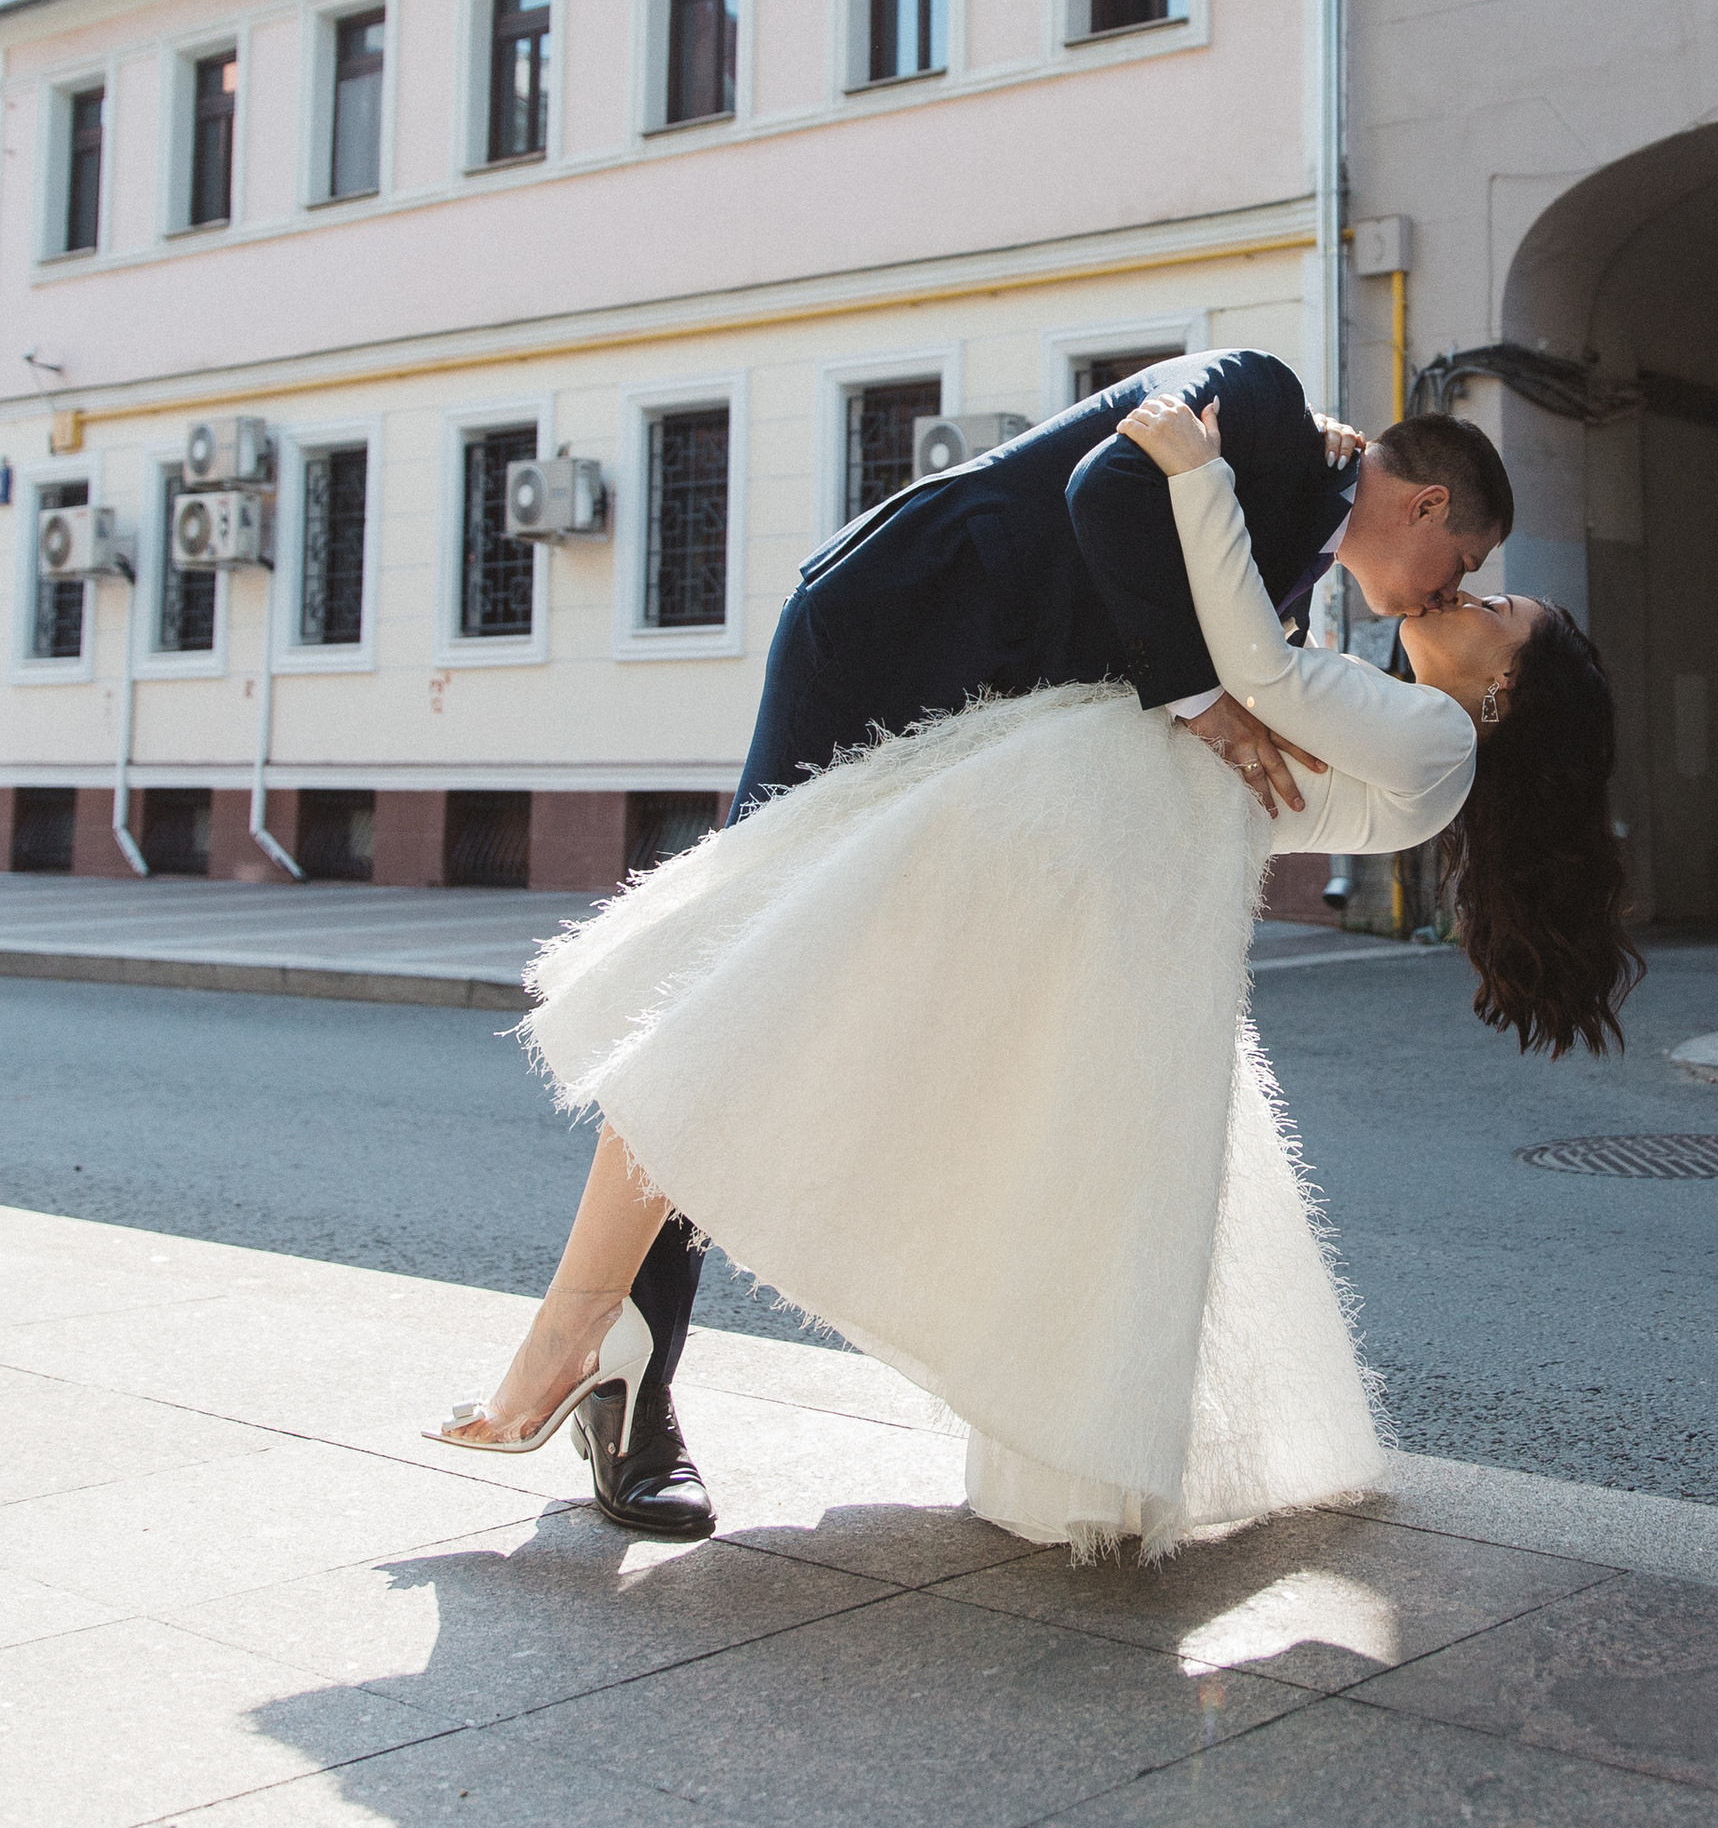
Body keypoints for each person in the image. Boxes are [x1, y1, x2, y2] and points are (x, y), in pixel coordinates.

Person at [429, 371, 1639, 1559]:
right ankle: (614, 1368)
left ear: (1505, 696)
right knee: (736, 996)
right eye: (1470, 571)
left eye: (1484, 603)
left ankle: (598, 1343)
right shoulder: (1268, 415)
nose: (1458, 594)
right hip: (906, 646)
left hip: (1035, 808)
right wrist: (1207, 501)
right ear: (1426, 506)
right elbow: (1118, 494)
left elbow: (1238, 678)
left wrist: (1207, 516)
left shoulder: (1383, 689)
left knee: (762, 1016)